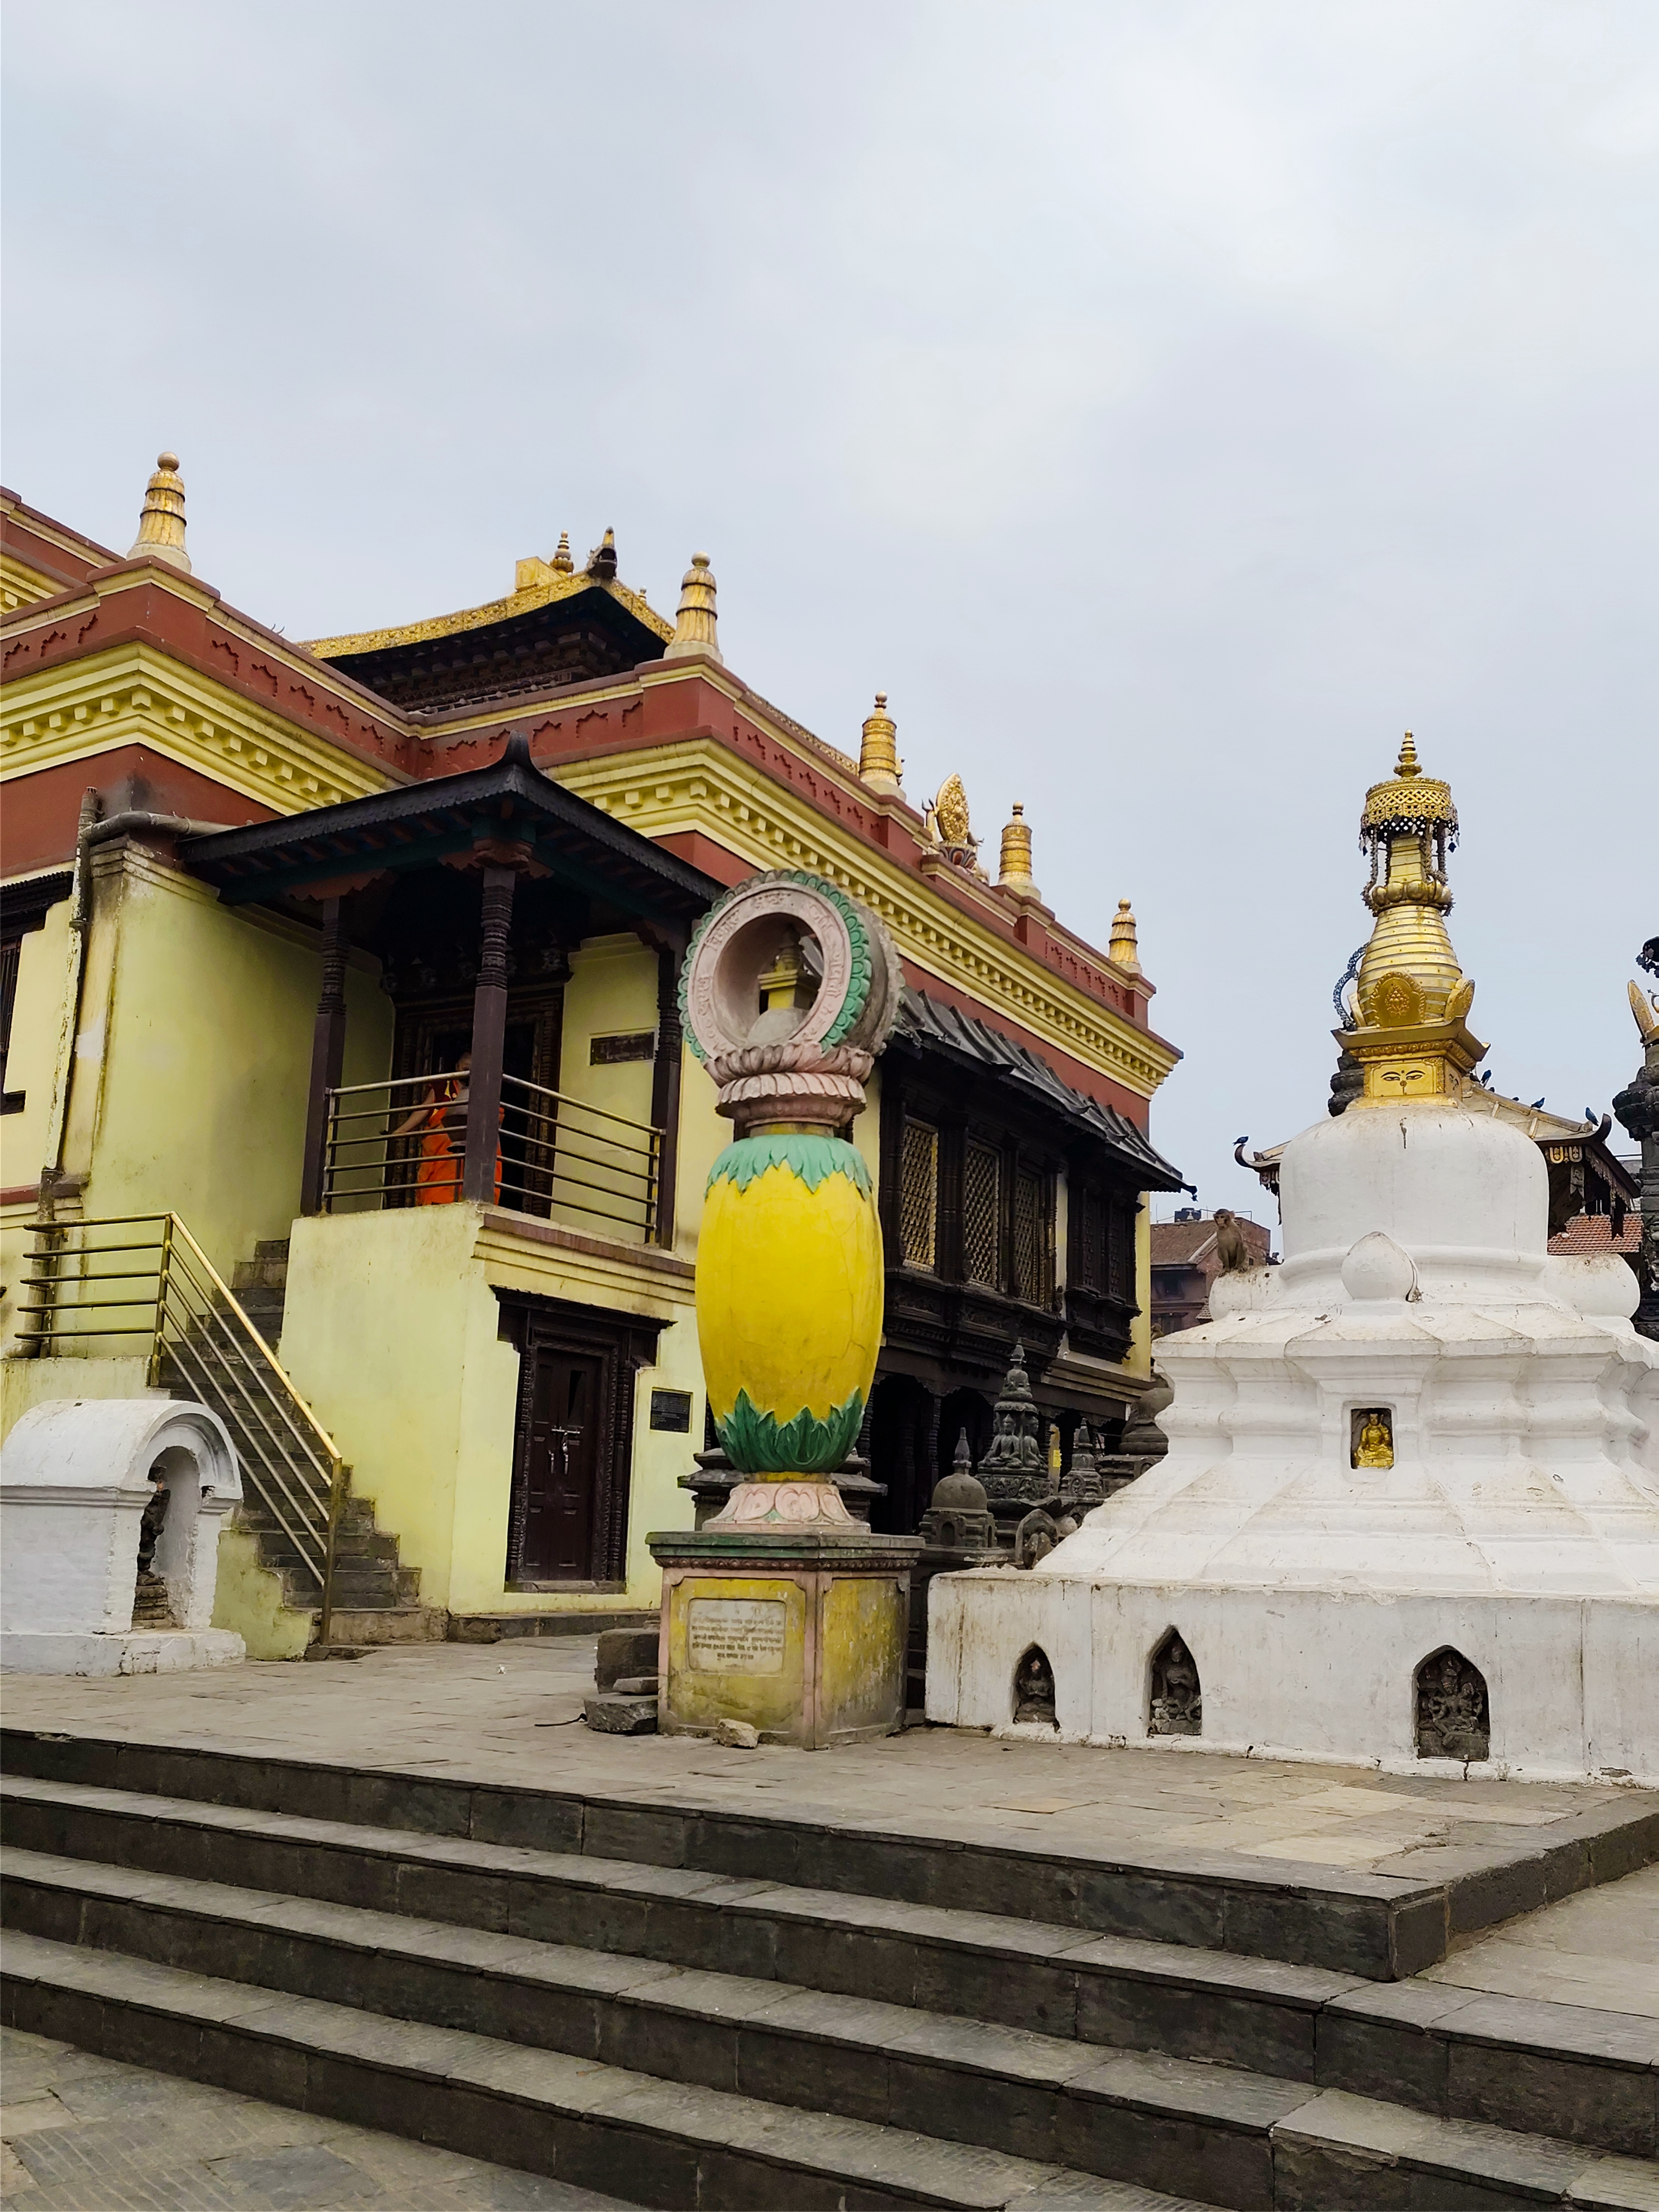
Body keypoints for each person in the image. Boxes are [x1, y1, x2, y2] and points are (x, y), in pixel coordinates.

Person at [392, 1052, 500, 1204]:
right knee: (436, 1191)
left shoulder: (483, 1092)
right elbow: (425, 1108)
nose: (467, 1073)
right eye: (464, 1068)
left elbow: (494, 1121)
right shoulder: (444, 1087)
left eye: (471, 1069)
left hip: (471, 1156)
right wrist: (402, 1130)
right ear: (457, 1068)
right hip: (441, 1153)